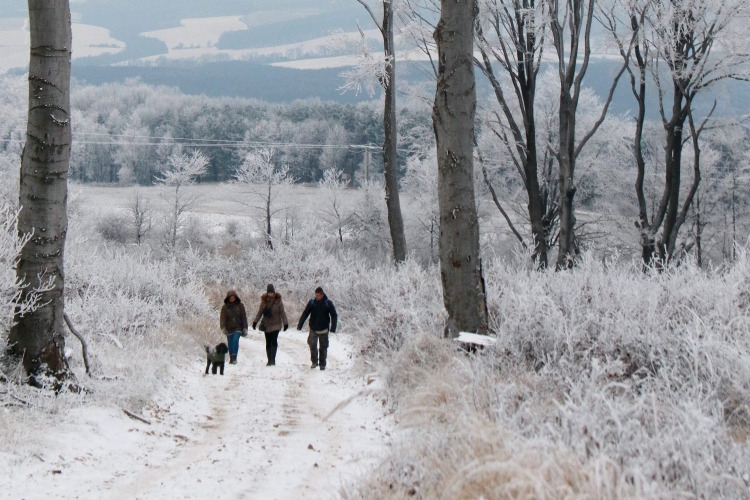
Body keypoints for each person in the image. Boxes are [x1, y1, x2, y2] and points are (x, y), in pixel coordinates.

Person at [297, 286, 338, 371]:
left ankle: (322, 364)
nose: (317, 297)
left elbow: (334, 315)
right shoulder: (312, 302)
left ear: (322, 294)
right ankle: (314, 362)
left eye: (318, 295)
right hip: (313, 328)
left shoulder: (328, 303)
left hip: (324, 329)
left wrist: (333, 327)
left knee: (323, 347)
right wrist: (300, 324)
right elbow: (305, 313)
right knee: (312, 345)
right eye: (316, 295)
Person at [252, 284, 289, 366]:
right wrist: (255, 322)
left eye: (272, 293)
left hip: (276, 324)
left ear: (274, 292)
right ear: (267, 292)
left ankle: (273, 359)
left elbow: (282, 312)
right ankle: (269, 360)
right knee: (268, 341)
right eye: (269, 293)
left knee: (274, 340)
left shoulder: (278, 301)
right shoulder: (264, 301)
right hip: (267, 324)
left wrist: (285, 323)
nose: (271, 294)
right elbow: (260, 312)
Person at [220, 290, 248, 364]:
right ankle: (231, 357)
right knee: (230, 343)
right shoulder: (225, 307)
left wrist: (245, 328)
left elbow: (243, 317)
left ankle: (234, 358)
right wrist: (223, 327)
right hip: (229, 327)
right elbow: (222, 318)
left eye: (233, 298)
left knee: (235, 341)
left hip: (238, 326)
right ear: (228, 298)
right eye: (230, 298)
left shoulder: (240, 306)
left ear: (236, 298)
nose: (232, 299)